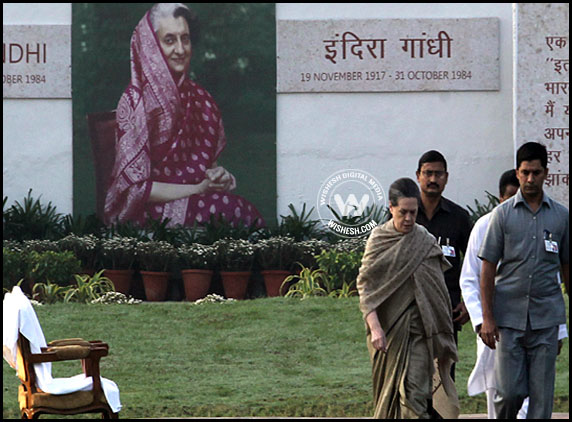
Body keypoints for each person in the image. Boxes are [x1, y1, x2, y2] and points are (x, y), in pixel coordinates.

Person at [104, 3, 264, 228]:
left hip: (196, 201)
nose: (180, 49)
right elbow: (135, 189)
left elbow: (207, 169)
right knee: (233, 211)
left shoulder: (201, 99)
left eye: (185, 39)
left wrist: (219, 177)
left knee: (239, 211)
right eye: (169, 40)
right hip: (145, 213)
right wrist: (198, 189)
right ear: (151, 46)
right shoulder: (135, 102)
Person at [462, 169, 568, 419]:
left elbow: (556, 276)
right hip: (501, 325)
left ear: (545, 175)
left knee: (540, 398)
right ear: (501, 198)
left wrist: (560, 330)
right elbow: (473, 277)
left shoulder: (557, 218)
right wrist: (483, 320)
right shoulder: (489, 223)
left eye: (536, 173)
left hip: (542, 323)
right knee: (506, 393)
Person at [357, 177, 459, 419]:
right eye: (403, 212)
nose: (409, 219)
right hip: (389, 332)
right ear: (391, 208)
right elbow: (366, 287)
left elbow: (436, 287)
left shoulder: (424, 240)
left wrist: (441, 324)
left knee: (415, 397)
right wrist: (376, 329)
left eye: (414, 212)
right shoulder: (379, 239)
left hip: (421, 330)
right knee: (389, 397)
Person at [415, 150, 472, 379]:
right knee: (413, 382)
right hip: (411, 312)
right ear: (418, 175)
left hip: (447, 313)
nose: (432, 179)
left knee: (443, 382)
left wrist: (468, 303)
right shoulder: (404, 215)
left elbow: (475, 264)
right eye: (427, 173)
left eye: (438, 174)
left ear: (446, 177)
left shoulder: (458, 217)